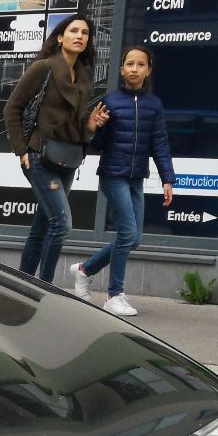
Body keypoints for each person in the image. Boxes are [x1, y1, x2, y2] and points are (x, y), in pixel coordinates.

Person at [2, 15, 109, 286]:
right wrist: (21, 150)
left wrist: (91, 126)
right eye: (73, 30)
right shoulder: (44, 67)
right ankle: (46, 286)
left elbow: (76, 125)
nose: (80, 36)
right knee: (61, 225)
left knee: (42, 227)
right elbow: (12, 108)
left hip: (68, 157)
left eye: (85, 32)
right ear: (60, 37)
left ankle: (22, 284)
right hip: (40, 155)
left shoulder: (83, 78)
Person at [69, 46, 174, 316]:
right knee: (127, 234)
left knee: (134, 239)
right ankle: (114, 295)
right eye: (129, 64)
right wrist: (95, 126)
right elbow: (98, 143)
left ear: (148, 70)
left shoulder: (154, 105)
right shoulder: (111, 102)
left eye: (140, 64)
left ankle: (85, 269)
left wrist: (167, 179)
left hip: (136, 177)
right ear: (121, 70)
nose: (134, 69)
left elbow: (160, 144)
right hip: (113, 175)